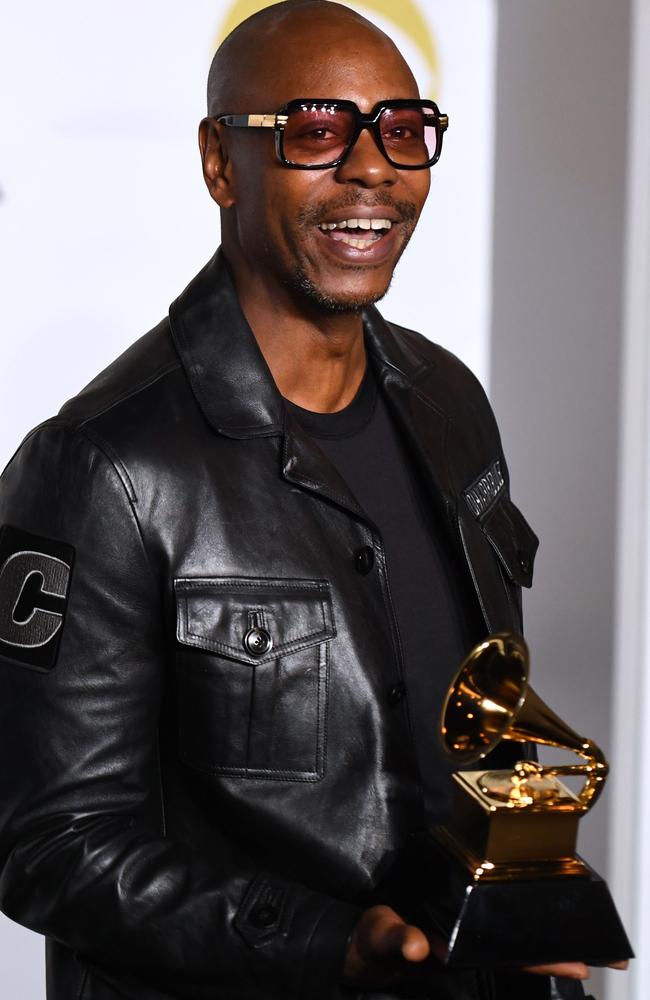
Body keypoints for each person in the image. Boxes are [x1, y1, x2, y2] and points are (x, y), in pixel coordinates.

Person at [0, 2, 613, 998]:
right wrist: (327, 941)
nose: (372, 167)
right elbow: (53, 845)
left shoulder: (451, 405)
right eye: (317, 130)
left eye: (404, 130)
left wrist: (525, 887)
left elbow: (480, 712)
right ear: (219, 162)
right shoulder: (100, 468)